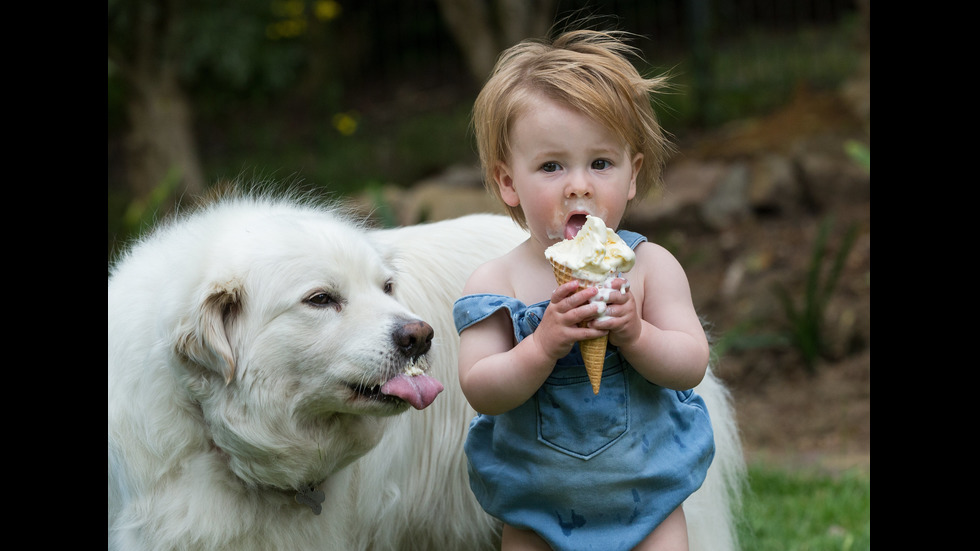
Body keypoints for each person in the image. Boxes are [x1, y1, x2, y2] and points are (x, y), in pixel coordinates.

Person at [452, 29, 715, 551]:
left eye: (601, 163)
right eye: (551, 166)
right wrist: (542, 344)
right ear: (508, 182)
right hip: (536, 511)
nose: (579, 185)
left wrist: (636, 334)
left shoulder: (649, 267)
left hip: (648, 504)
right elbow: (481, 387)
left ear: (632, 175)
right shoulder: (496, 282)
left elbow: (690, 363)